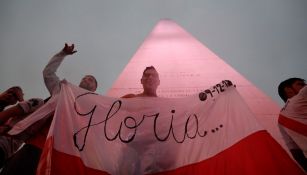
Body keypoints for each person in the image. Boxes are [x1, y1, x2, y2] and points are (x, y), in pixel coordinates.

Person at [0, 43, 98, 175]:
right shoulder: (62, 90)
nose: (87, 79)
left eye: (91, 79)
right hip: (37, 144)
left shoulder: (95, 108)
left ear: (95, 89)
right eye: (85, 77)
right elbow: (48, 73)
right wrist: (62, 54)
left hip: (62, 154)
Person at [278, 77, 307, 171]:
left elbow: (295, 151)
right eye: (300, 84)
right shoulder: (301, 96)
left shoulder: (280, 120)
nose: (304, 86)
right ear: (288, 90)